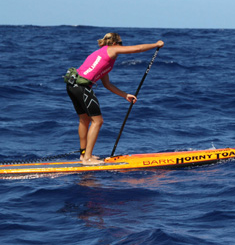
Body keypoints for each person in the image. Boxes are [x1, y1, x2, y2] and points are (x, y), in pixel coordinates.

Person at [66, 33, 164, 165]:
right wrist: (156, 45)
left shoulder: (101, 55)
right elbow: (137, 48)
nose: (121, 47)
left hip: (72, 86)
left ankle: (84, 155)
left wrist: (125, 95)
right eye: (121, 44)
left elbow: (107, 85)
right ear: (114, 43)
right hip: (82, 87)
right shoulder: (111, 49)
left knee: (84, 119)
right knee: (98, 121)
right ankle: (87, 159)